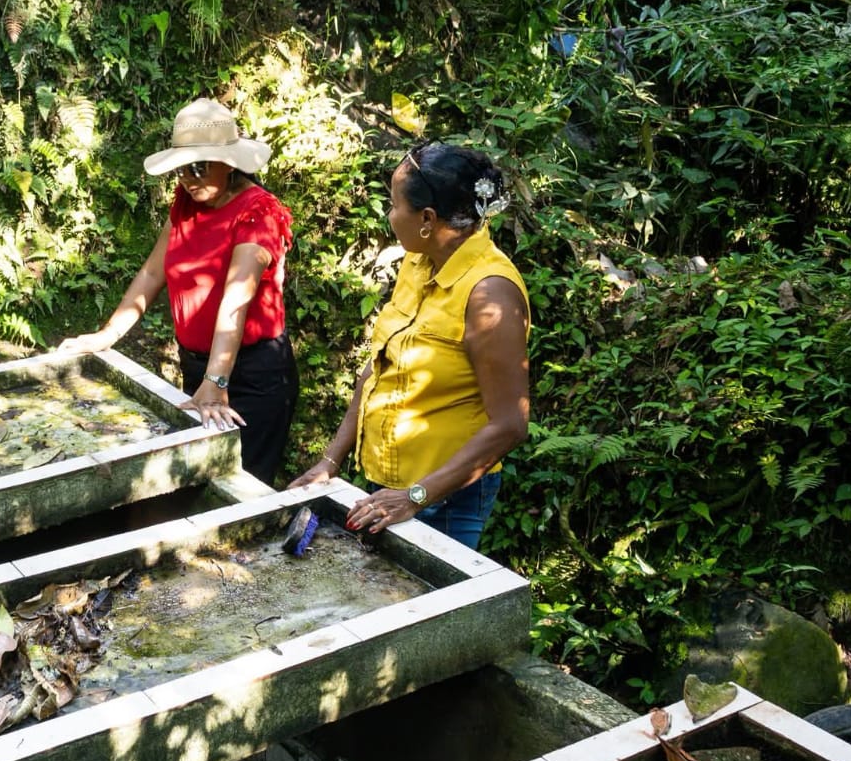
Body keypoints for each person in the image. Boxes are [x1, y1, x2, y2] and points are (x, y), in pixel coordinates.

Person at [289, 143, 529, 549]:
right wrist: (329, 462)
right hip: (388, 486)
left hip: (445, 500)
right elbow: (378, 367)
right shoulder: (419, 262)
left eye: (394, 204)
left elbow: (510, 424)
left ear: (427, 219)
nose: (389, 215)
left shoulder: (490, 294)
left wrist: (416, 496)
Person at [60, 98, 298, 484]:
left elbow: (236, 299)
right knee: (200, 480)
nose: (188, 177)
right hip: (200, 369)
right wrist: (107, 335)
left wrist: (217, 381)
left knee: (242, 483)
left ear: (229, 162)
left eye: (198, 167)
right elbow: (154, 271)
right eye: (181, 168)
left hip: (252, 375)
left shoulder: (258, 213)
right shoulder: (187, 202)